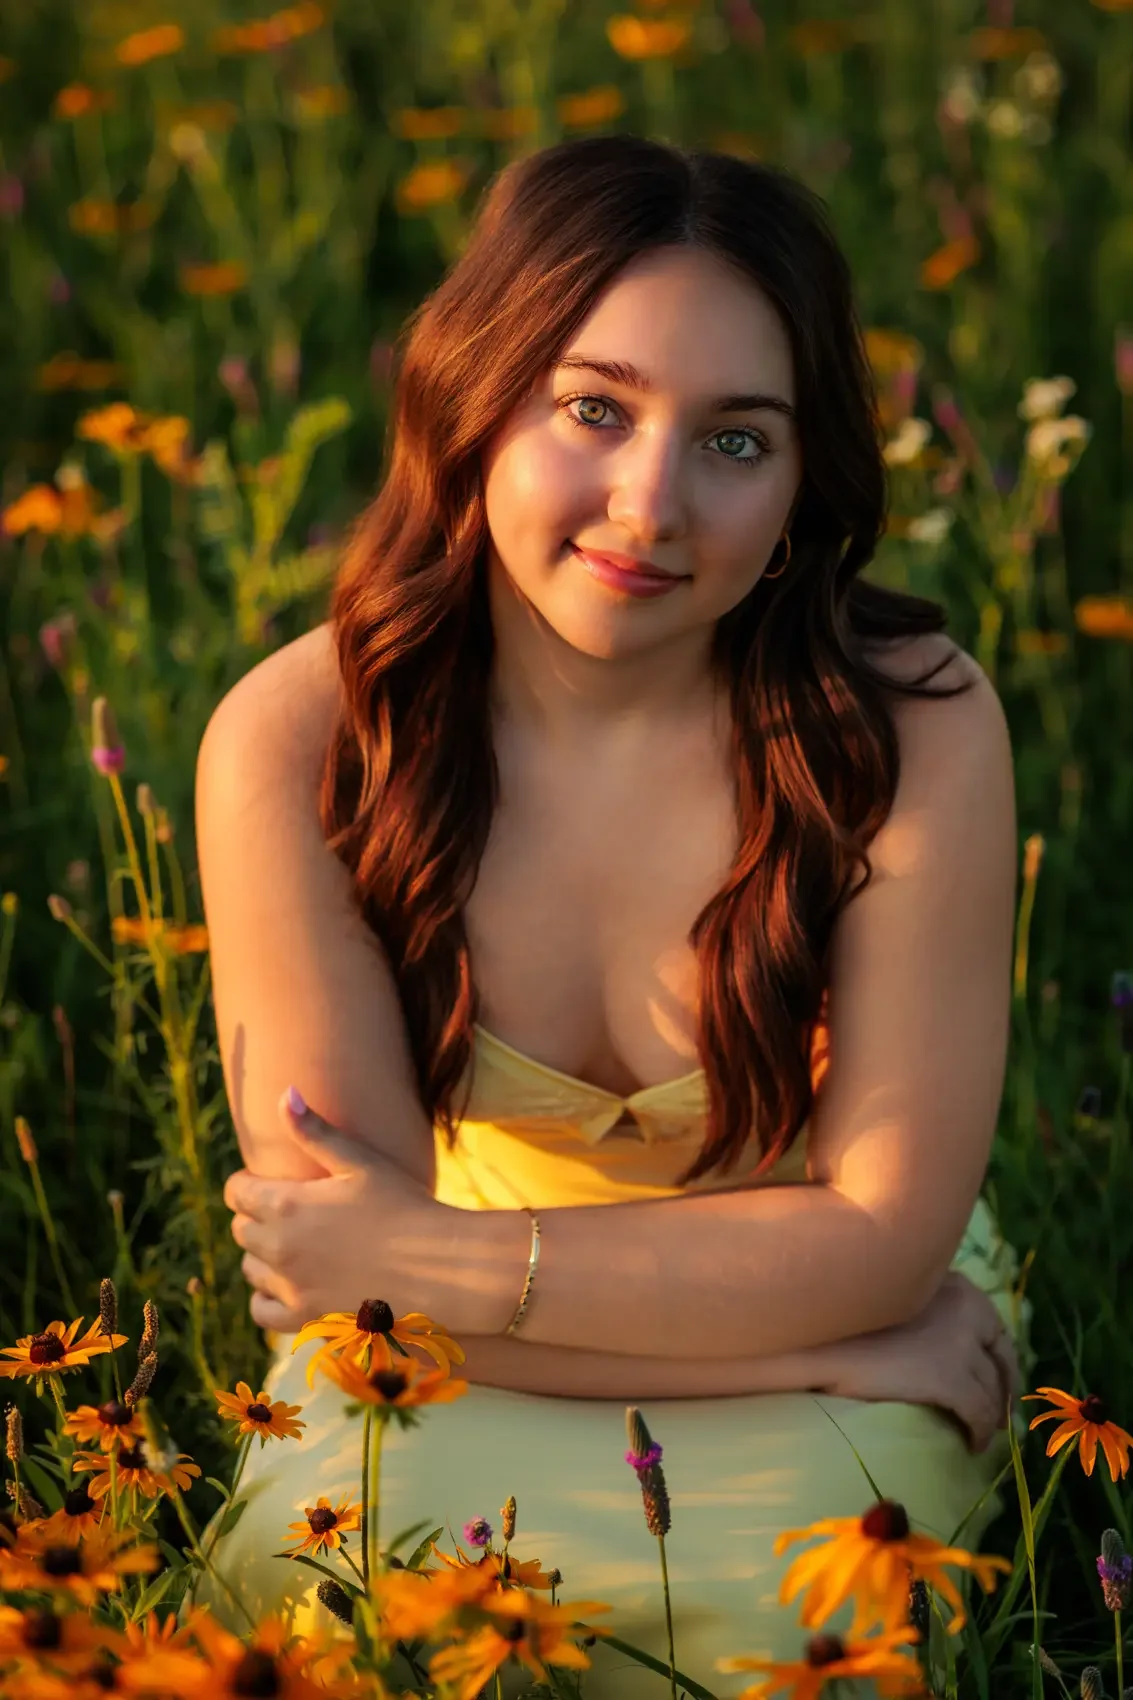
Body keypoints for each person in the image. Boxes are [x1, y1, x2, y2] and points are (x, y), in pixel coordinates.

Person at [191, 134, 1032, 1697]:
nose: (649, 505)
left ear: (799, 483)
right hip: (465, 1376)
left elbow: (884, 1239)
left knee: (796, 1618)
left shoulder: (911, 726)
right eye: (594, 408)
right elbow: (340, 1292)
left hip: (789, 1346)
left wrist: (853, 1319)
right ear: (476, 402)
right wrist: (828, 1339)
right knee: (349, 1579)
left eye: (735, 439)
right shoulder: (299, 742)